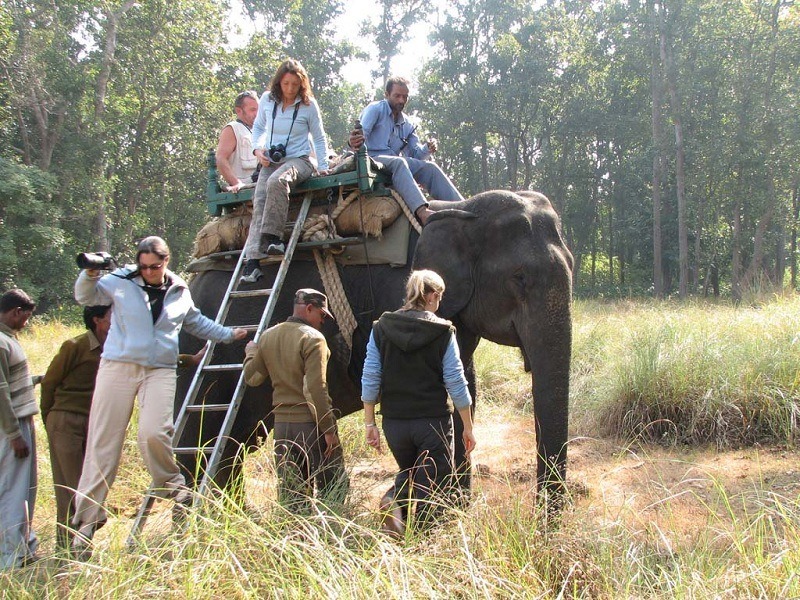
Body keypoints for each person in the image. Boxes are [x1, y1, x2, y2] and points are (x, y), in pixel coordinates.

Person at [71, 236, 248, 558]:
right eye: (144, 266)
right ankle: (86, 522)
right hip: (119, 366)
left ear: (166, 262)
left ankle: (173, 485)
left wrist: (227, 335)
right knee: (103, 444)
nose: (148, 272)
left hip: (159, 369)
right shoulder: (120, 279)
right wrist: (91, 274)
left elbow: (195, 321)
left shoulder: (179, 288)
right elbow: (85, 297)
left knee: (154, 433)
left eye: (155, 266)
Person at [361, 270, 476, 533]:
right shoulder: (443, 331)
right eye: (440, 296)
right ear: (433, 296)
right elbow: (456, 382)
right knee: (432, 481)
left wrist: (370, 424)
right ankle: (422, 540)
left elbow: (370, 378)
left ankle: (394, 505)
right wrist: (467, 426)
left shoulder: (381, 328)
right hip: (432, 422)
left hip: (394, 423)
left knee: (410, 469)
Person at [243, 288, 347, 513]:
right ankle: (331, 537)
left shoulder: (268, 336)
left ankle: (295, 538)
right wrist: (328, 430)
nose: (322, 322)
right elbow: (315, 389)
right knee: (334, 488)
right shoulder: (313, 339)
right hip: (310, 427)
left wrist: (251, 353)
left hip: (282, 428)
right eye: (321, 315)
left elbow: (252, 378)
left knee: (292, 496)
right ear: (309, 308)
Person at [241, 59, 331, 283]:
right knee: (259, 201)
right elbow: (259, 128)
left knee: (277, 182)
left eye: (295, 84)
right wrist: (257, 149)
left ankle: (275, 238)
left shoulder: (309, 106)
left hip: (299, 160)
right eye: (286, 84)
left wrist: (323, 166)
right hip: (270, 160)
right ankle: (252, 264)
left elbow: (319, 138)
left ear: (302, 84)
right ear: (279, 82)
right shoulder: (267, 100)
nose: (290, 89)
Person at [40, 305, 112, 554]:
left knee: (89, 483)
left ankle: (80, 547)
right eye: (112, 316)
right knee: (71, 489)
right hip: (66, 421)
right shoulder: (76, 346)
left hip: (93, 424)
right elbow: (49, 382)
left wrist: (188, 360)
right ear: (98, 320)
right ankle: (67, 551)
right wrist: (50, 417)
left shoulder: (116, 348)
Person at [348, 76, 465, 225]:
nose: (401, 101)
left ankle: (465, 206)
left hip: (394, 164)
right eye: (397, 96)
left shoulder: (408, 124)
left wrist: (427, 149)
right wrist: (354, 140)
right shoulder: (375, 109)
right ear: (387, 94)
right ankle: (422, 212)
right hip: (372, 159)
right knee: (399, 162)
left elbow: (415, 155)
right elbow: (360, 135)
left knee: (431, 168)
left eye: (405, 97)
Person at [0, 289, 38, 569]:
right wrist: (14, 435)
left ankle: (22, 545)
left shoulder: (8, 340)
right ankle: (10, 555)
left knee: (24, 488)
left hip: (17, 421)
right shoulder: (1, 342)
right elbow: (1, 392)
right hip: (10, 426)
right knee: (12, 490)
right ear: (15, 312)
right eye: (25, 317)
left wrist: (35, 379)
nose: (25, 323)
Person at [215, 90, 260, 193]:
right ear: (239, 111)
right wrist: (236, 183)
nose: (257, 114)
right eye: (253, 110)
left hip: (261, 182)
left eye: (258, 109)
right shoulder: (233, 129)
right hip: (247, 186)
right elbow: (221, 159)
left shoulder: (259, 131)